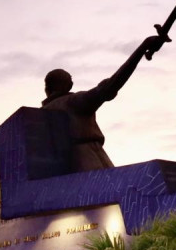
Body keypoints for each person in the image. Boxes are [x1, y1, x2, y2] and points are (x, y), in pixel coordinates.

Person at [42, 35, 168, 171]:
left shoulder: (41, 114)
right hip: (89, 160)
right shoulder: (72, 102)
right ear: (70, 85)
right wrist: (143, 47)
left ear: (47, 88)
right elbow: (110, 87)